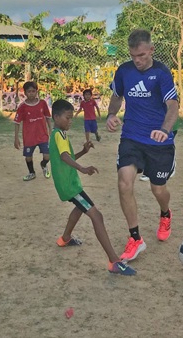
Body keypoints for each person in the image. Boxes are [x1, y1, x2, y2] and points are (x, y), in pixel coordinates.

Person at [106, 29, 179, 262]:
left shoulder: (161, 73)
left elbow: (173, 106)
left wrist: (165, 131)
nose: (137, 60)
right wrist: (111, 114)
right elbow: (117, 95)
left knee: (158, 189)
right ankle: (135, 238)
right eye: (133, 55)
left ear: (151, 50)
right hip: (132, 137)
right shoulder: (124, 71)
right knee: (124, 182)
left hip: (159, 141)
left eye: (141, 55)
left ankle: (165, 214)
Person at [49, 99, 136, 276]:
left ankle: (64, 239)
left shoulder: (60, 134)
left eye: (71, 118)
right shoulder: (58, 135)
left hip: (70, 184)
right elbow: (65, 157)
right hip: (70, 186)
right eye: (67, 117)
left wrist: (83, 152)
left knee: (80, 208)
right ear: (56, 117)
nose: (70, 121)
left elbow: (66, 157)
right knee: (97, 216)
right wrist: (83, 168)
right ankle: (114, 261)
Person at [14, 81, 52, 181]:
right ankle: (32, 173)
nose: (31, 93)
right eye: (29, 91)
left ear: (36, 92)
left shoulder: (42, 103)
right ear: (25, 93)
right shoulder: (22, 107)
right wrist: (16, 138)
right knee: (28, 157)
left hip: (42, 135)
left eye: (33, 91)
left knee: (47, 156)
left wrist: (51, 130)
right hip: (29, 137)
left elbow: (48, 117)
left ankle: (43, 165)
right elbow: (17, 123)